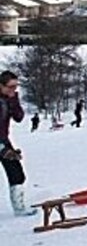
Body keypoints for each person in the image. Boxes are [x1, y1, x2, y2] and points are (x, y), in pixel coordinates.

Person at [1, 71, 37, 216]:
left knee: (17, 173)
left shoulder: (10, 98)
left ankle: (19, 209)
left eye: (16, 86)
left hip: (3, 139)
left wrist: (13, 101)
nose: (13, 90)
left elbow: (19, 117)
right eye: (10, 87)